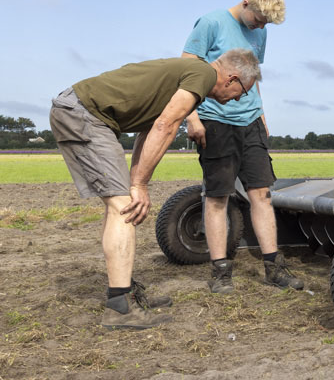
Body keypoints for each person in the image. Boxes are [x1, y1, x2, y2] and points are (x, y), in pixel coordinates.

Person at [50, 49, 261, 329]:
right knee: (123, 206)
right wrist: (139, 184)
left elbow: (147, 131)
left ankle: (123, 292)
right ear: (232, 79)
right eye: (242, 91)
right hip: (83, 114)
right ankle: (120, 307)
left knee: (120, 202)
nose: (237, 98)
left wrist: (136, 179)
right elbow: (166, 125)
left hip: (85, 113)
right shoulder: (202, 74)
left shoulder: (187, 76)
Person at [181, 0, 303, 294]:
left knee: (261, 194)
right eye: (259, 18)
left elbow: (252, 76)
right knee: (218, 196)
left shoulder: (261, 30)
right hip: (215, 120)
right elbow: (185, 71)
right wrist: (191, 117)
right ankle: (221, 273)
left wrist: (262, 115)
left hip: (250, 122)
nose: (261, 26)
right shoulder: (210, 24)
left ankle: (274, 268)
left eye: (266, 23)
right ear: (246, 2)